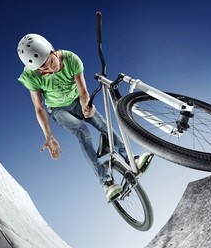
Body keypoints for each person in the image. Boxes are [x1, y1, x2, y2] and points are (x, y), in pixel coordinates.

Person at [17, 33, 152, 201]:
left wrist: (85, 105)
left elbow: (83, 91)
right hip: (59, 110)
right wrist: (49, 136)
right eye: (44, 70)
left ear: (53, 51)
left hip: (77, 100)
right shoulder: (32, 76)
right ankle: (106, 183)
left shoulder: (71, 59)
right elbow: (39, 108)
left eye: (51, 62)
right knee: (82, 131)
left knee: (102, 124)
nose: (51, 69)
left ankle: (131, 159)